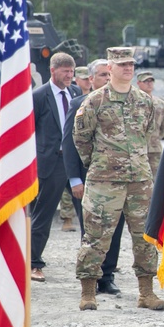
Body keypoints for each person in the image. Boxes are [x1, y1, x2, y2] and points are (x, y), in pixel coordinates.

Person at [73, 47, 164, 311]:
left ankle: (146, 292)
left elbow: (147, 135)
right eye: (122, 64)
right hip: (104, 182)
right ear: (110, 68)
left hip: (140, 180)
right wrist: (99, 164)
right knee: (96, 236)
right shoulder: (94, 101)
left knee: (145, 236)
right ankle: (88, 292)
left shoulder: (144, 101)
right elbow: (81, 139)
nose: (128, 68)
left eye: (131, 64)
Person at [64, 59, 124, 296]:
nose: (106, 80)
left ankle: (107, 277)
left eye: (109, 75)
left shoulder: (123, 104)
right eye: (101, 76)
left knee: (115, 230)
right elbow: (69, 144)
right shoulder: (80, 103)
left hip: (118, 181)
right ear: (90, 80)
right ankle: (90, 277)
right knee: (92, 230)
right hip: (89, 179)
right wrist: (74, 179)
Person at [27, 52, 77, 282]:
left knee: (90, 213)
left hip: (75, 162)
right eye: (65, 71)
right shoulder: (38, 96)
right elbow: (29, 133)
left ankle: (99, 266)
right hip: (51, 163)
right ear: (53, 70)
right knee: (43, 215)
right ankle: (33, 263)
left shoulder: (76, 93)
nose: (69, 75)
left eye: (71, 71)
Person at [60, 66, 92, 231]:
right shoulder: (77, 101)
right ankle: (67, 218)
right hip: (78, 166)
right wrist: (74, 177)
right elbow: (70, 141)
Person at [136, 70, 164, 138]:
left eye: (151, 81)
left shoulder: (160, 104)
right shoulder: (132, 102)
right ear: (138, 83)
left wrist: (156, 137)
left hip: (154, 145)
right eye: (146, 81)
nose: (149, 83)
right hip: (136, 145)